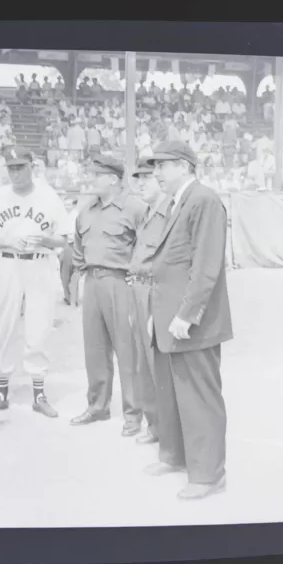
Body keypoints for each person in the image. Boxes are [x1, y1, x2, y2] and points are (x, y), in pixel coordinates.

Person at [144, 140, 233, 499]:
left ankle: (208, 475)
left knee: (199, 397)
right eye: (155, 166)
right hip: (169, 318)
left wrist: (187, 313)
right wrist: (159, 313)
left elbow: (207, 265)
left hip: (191, 322)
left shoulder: (204, 199)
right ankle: (176, 456)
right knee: (171, 394)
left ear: (184, 165)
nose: (156, 173)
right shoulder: (178, 201)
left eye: (162, 165)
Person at [0, 147, 72, 418]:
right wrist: (8, 241)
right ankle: (1, 392)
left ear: (33, 166)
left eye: (21, 166)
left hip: (40, 264)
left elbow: (64, 239)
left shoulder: (48, 195)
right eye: (12, 168)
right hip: (7, 263)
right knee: (3, 326)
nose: (16, 172)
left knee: (39, 327)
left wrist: (44, 240)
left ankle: (39, 394)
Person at [70, 156, 146, 437]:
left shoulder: (134, 208)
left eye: (96, 175)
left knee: (128, 351)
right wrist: (83, 272)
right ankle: (98, 406)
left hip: (121, 283)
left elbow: (147, 246)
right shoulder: (86, 210)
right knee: (95, 350)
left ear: (113, 179)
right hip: (92, 283)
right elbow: (78, 247)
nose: (91, 179)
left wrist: (136, 280)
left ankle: (133, 413)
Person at [126, 159, 170, 445]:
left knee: (159, 364)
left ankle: (167, 430)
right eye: (138, 178)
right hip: (137, 290)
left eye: (147, 177)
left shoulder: (169, 214)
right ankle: (154, 424)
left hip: (156, 291)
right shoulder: (147, 214)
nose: (140, 183)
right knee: (143, 361)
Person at [60, 196, 80, 305]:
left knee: (72, 274)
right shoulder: (64, 216)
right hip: (65, 246)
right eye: (65, 204)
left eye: (68, 205)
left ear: (74, 205)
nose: (66, 207)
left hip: (72, 246)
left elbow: (73, 235)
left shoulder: (76, 216)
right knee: (64, 275)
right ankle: (68, 297)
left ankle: (72, 299)